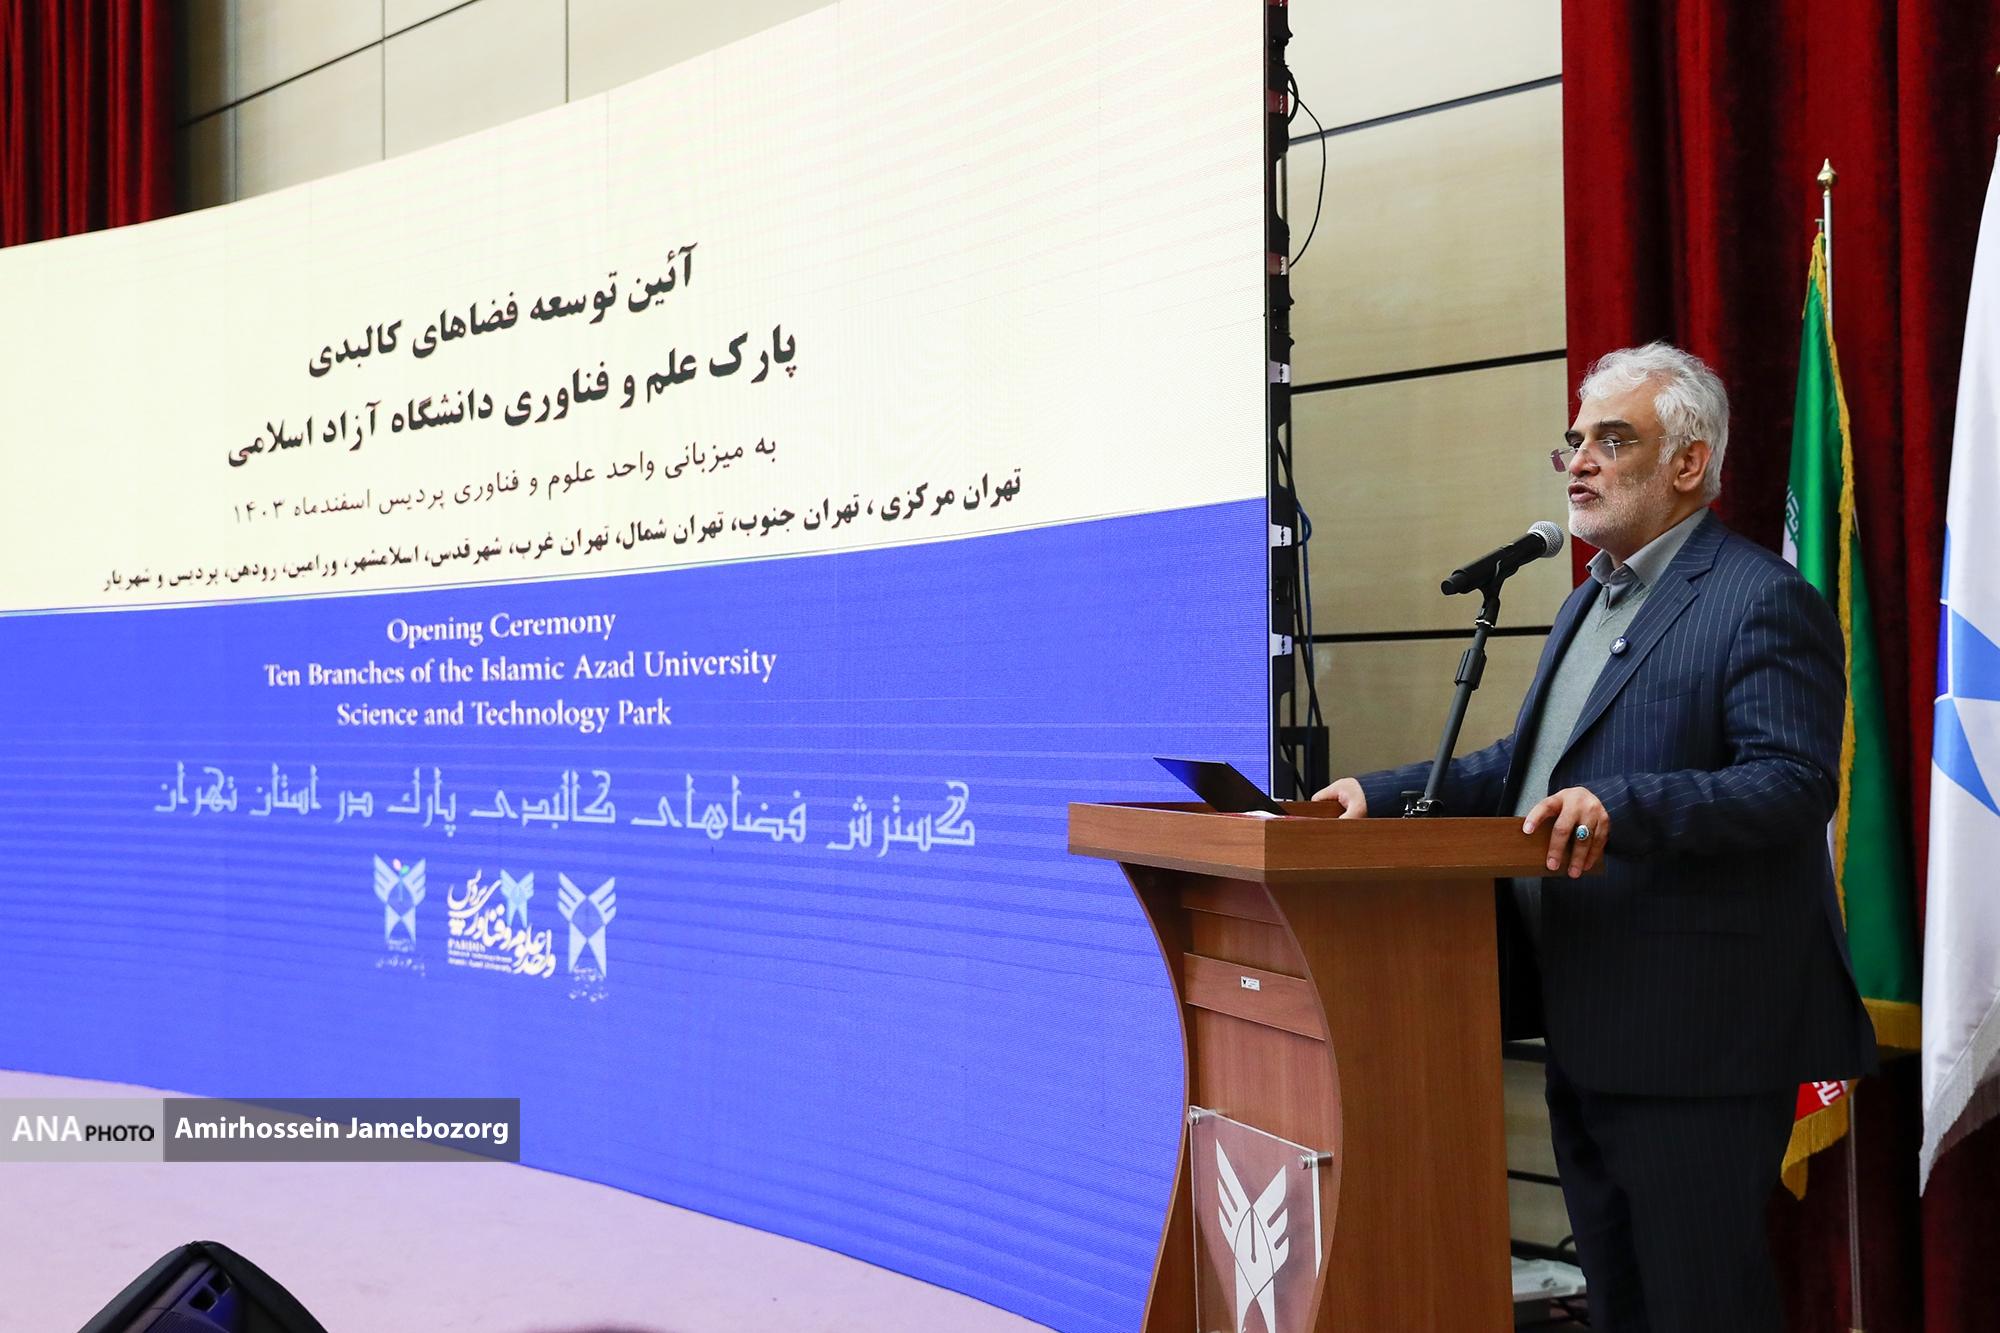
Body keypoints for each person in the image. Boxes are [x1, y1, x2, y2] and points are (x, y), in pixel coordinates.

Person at [1314, 342, 1875, 1333]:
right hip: (1583, 1015)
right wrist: (1379, 792)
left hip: (1696, 1033)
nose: (1578, 460)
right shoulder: (1589, 599)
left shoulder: (1757, 598)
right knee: (1618, 1304)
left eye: (1612, 440)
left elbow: (1791, 783)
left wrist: (1627, 805)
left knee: (1701, 1307)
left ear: (1688, 463)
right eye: (1572, 441)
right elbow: (1524, 768)